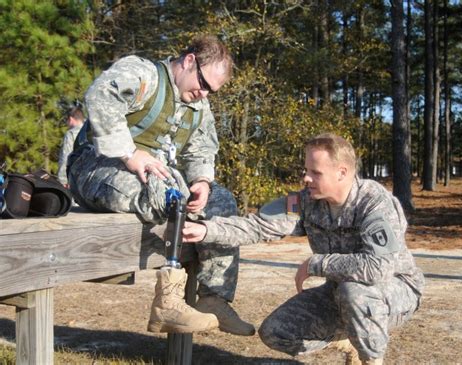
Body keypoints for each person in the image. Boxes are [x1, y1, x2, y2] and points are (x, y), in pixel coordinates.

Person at [67, 35, 254, 336]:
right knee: (164, 195)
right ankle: (167, 303)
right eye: (203, 84)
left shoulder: (199, 106)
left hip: (155, 177)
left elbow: (202, 149)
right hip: (95, 167)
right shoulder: (144, 74)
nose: (204, 94)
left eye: (211, 91)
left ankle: (213, 299)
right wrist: (129, 153)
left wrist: (202, 182)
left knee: (222, 203)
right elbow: (100, 95)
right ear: (189, 61)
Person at [182, 133, 424, 364]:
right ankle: (351, 338)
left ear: (342, 172)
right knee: (276, 332)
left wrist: (317, 264)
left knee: (355, 293)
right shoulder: (305, 200)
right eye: (306, 170)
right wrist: (206, 230)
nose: (306, 178)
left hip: (395, 289)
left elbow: (378, 268)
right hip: (340, 291)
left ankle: (370, 360)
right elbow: (258, 225)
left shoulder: (375, 203)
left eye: (315, 172)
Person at [57, 101, 85, 187]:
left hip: (76, 180)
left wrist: (62, 180)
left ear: (71, 119)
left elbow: (66, 157)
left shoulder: (71, 134)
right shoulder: (92, 131)